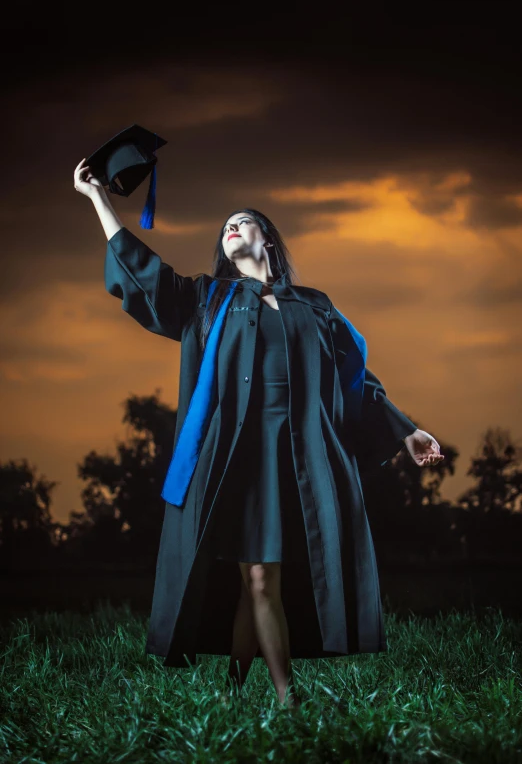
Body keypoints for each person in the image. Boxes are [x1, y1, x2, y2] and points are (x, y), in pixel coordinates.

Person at [74, 158, 444, 710]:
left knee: (261, 579)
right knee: (258, 575)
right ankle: (287, 702)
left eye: (242, 221)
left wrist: (408, 430)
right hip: (234, 457)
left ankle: (233, 700)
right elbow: (144, 276)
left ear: (266, 238)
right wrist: (98, 200)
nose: (231, 227)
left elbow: (355, 379)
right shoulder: (209, 300)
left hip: (298, 456)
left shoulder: (315, 306)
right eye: (225, 225)